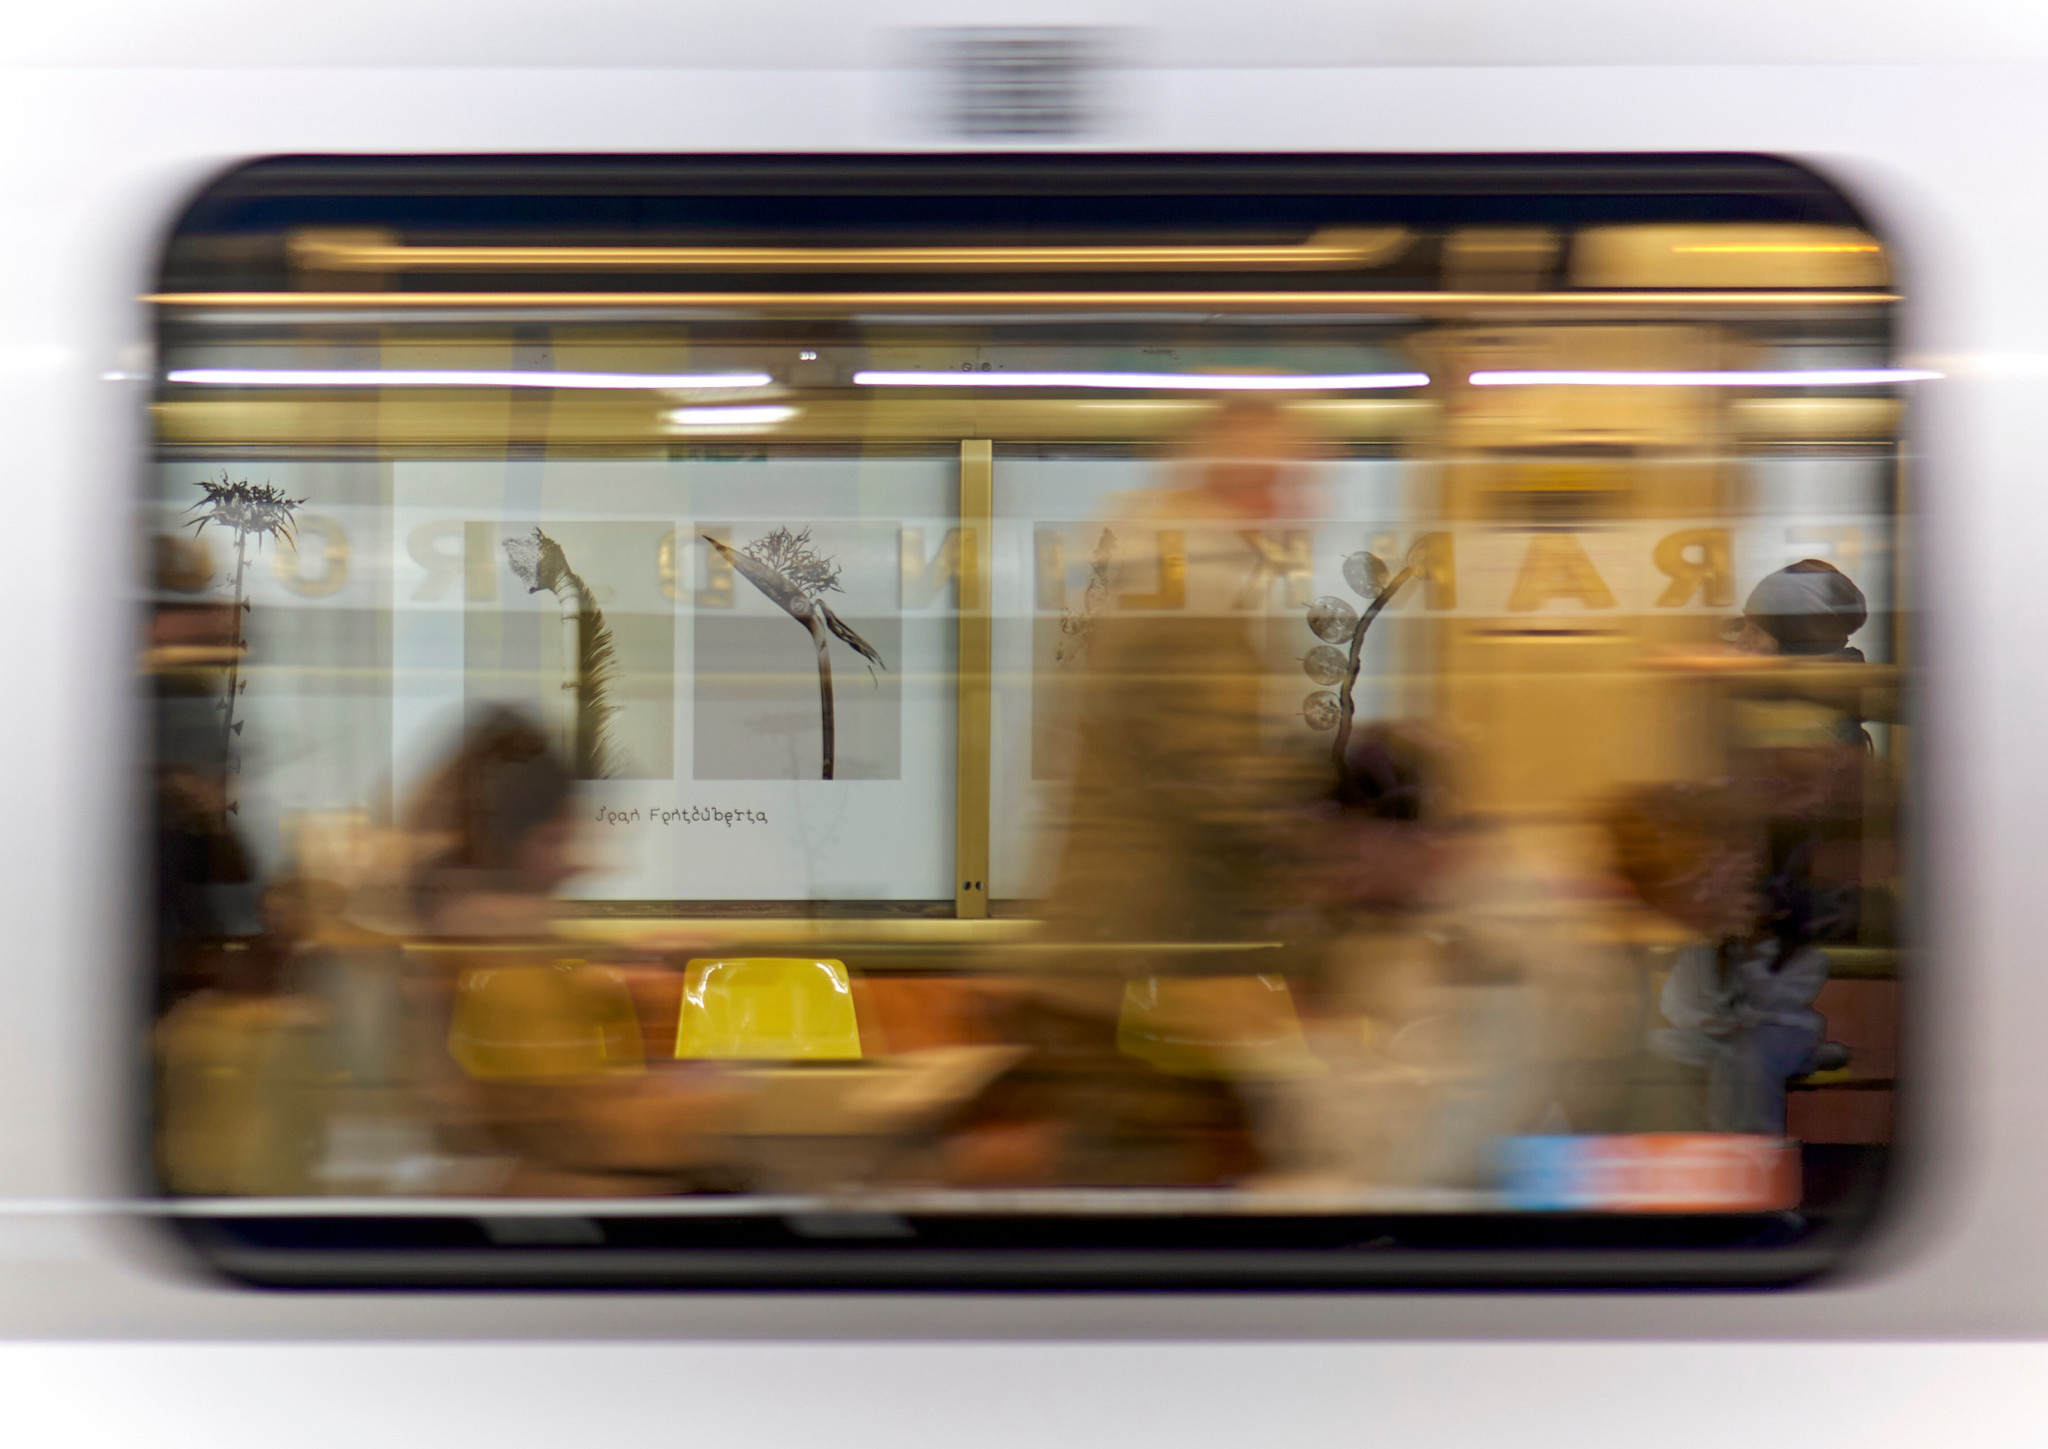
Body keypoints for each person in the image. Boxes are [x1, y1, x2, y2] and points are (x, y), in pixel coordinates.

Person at [1606, 783, 1848, 1137]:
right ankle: (1691, 1133)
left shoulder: (1798, 954)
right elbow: (1677, 1002)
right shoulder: (1704, 944)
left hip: (1768, 1034)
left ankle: (1751, 1140)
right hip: (1719, 1034)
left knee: (1747, 1055)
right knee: (1656, 1047)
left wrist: (1749, 955)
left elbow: (1776, 1004)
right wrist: (1707, 1020)